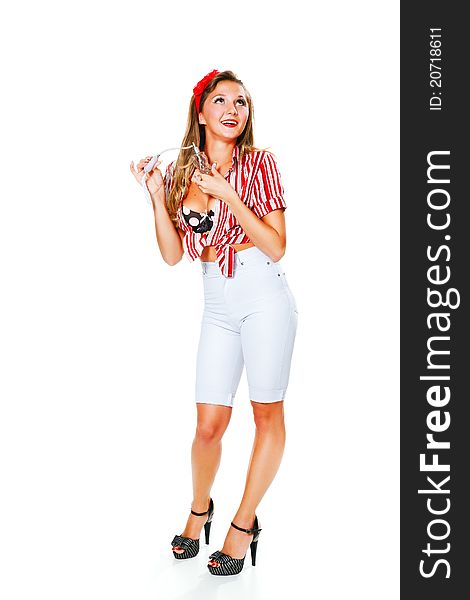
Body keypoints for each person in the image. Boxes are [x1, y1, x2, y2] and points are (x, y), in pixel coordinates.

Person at [130, 69, 298, 576]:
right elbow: (173, 254)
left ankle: (244, 523)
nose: (232, 110)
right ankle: (199, 507)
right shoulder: (183, 171)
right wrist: (158, 197)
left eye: (241, 103)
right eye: (221, 100)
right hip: (217, 303)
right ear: (199, 110)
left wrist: (228, 196)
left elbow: (276, 245)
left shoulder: (260, 164)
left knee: (267, 414)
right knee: (208, 427)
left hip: (264, 295)